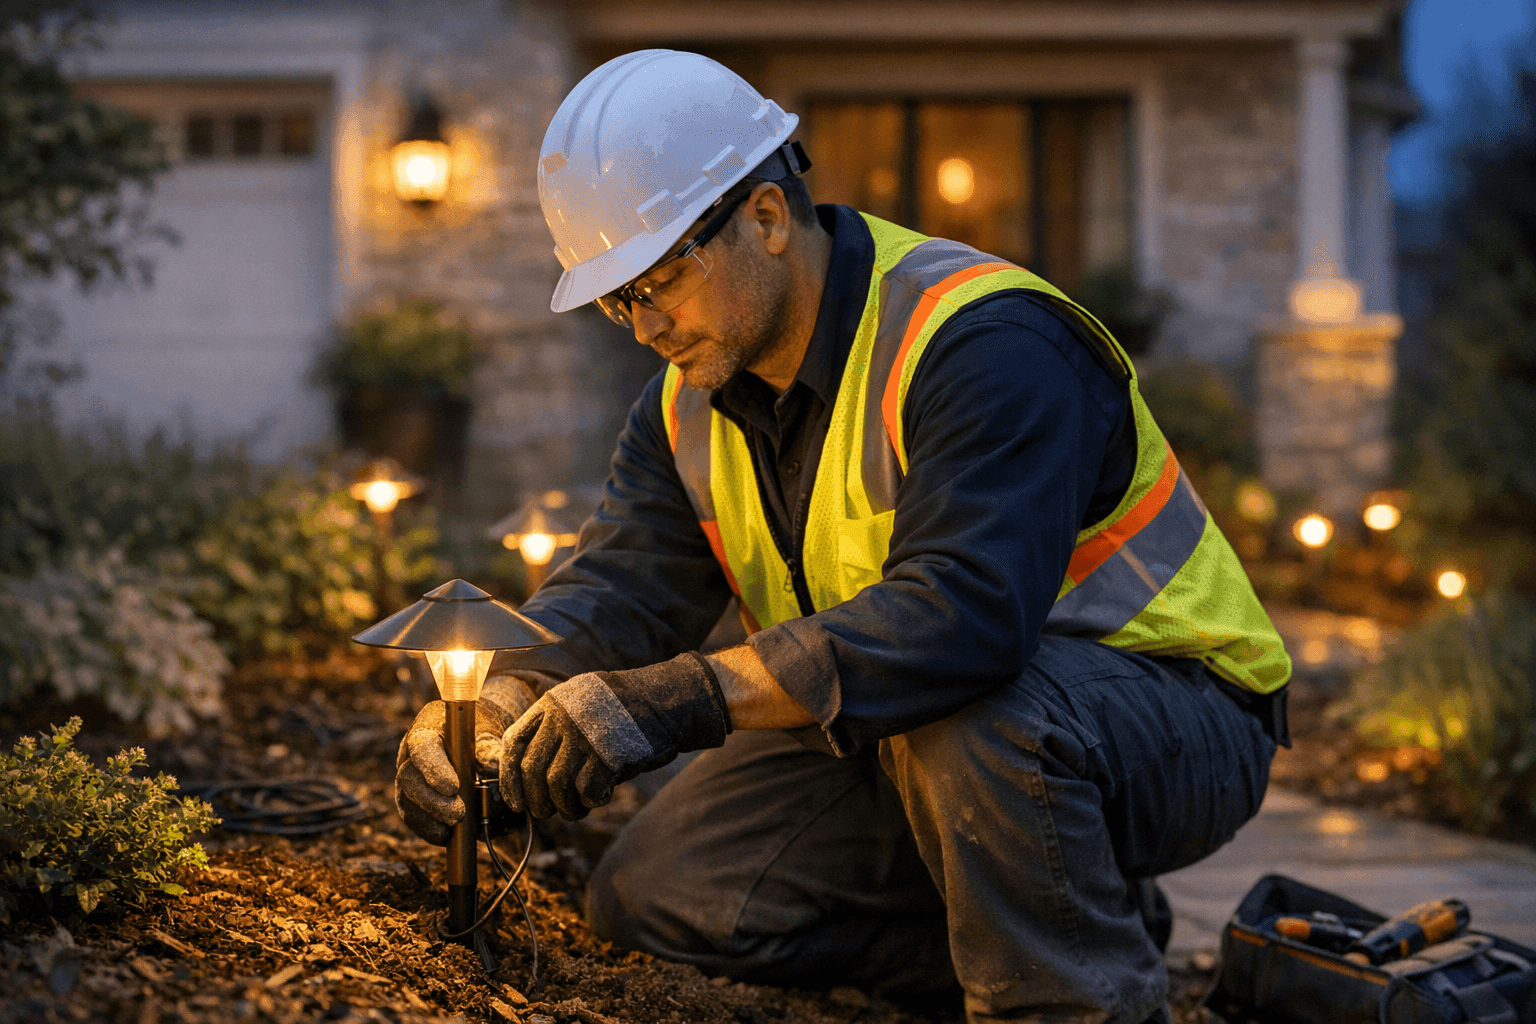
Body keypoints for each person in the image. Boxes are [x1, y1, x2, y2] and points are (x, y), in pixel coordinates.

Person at [394, 50, 1291, 1024]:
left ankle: (1067, 998)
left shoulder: (987, 343)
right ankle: (1071, 913)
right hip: (895, 729)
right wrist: (503, 691)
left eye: (658, 282)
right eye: (619, 301)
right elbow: (624, 583)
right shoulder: (686, 405)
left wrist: (681, 697)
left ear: (768, 218)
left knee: (978, 710)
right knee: (661, 889)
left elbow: (964, 624)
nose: (645, 326)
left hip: (1171, 710)